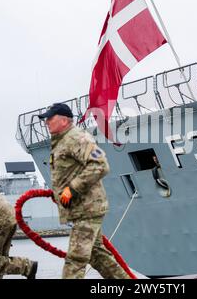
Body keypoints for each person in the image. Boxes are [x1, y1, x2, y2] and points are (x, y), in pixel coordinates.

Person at [39, 103, 130, 279]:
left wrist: (71, 190)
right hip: (80, 209)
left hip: (87, 209)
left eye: (50, 118)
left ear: (64, 120)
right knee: (98, 256)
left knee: (75, 260)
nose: (46, 122)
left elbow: (100, 165)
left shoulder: (77, 138)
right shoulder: (61, 142)